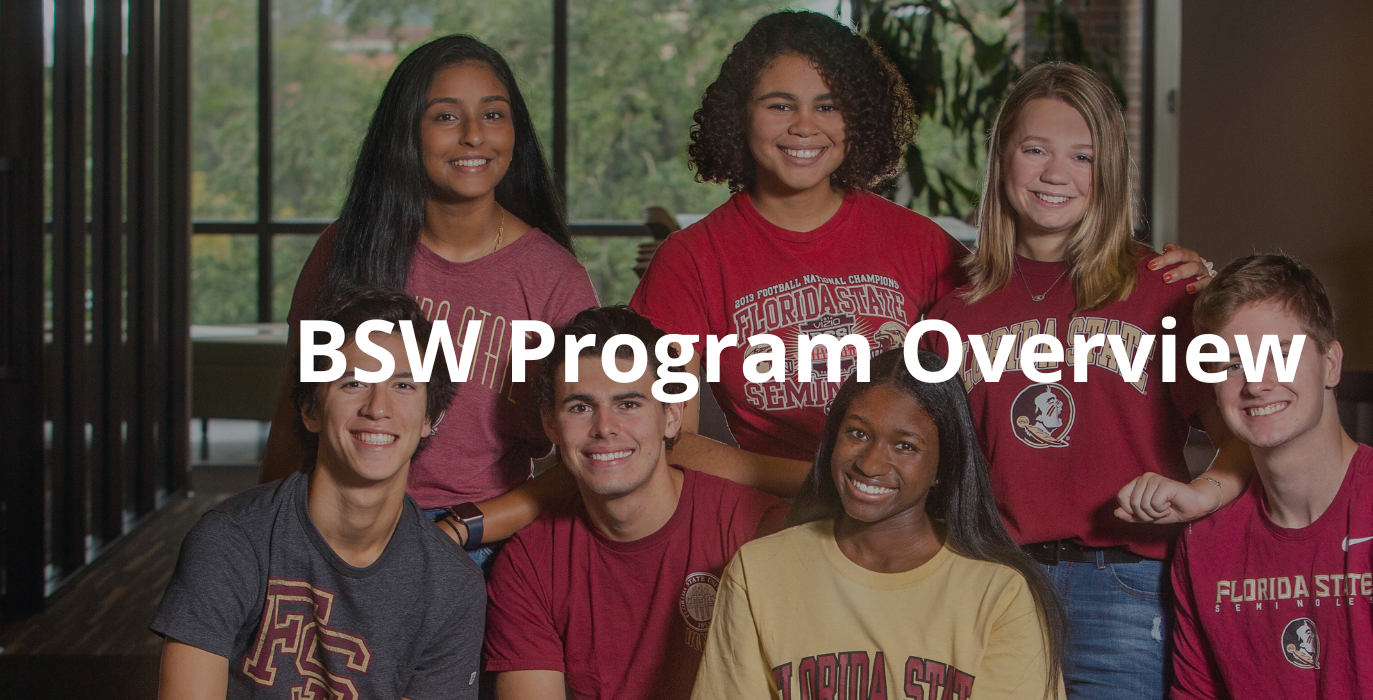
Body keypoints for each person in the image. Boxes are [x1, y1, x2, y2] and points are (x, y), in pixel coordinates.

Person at [631, 11, 1224, 499]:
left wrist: (1196, 293)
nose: (805, 127)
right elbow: (665, 433)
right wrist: (822, 482)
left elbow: (1027, 320)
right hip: (779, 517)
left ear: (859, 117)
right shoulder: (693, 259)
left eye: (829, 105)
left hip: (917, 520)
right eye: (780, 105)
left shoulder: (919, 244)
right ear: (742, 116)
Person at [923, 62, 1254, 699]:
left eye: (1083, 155)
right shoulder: (954, 310)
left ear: (1110, 172)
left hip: (1126, 583)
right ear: (1001, 160)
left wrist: (1204, 495)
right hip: (997, 580)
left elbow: (1243, 431)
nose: (1056, 174)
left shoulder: (1163, 288)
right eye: (1035, 149)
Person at [259, 35, 598, 564]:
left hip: (483, 533)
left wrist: (468, 527)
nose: (472, 136)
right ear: (407, 132)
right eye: (444, 117)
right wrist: (270, 546)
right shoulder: (347, 249)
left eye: (493, 114)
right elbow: (291, 413)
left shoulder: (555, 278)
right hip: (340, 526)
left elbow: (584, 455)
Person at [1169, 254, 1373, 698]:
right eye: (1233, 365)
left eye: (1280, 355)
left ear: (1331, 364)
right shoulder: (1205, 539)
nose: (1257, 383)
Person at [152, 288, 485, 700]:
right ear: (311, 409)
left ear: (429, 417)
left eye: (403, 384)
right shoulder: (232, 542)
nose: (378, 407)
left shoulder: (451, 584)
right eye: (354, 382)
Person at [691, 347, 1068, 700]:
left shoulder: (1000, 592)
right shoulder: (758, 572)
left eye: (905, 446)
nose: (870, 464)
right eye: (857, 433)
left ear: (943, 464)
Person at [483, 306, 788, 700]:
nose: (605, 426)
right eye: (580, 407)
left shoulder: (756, 527)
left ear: (672, 415)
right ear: (550, 424)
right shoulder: (529, 563)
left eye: (628, 404)